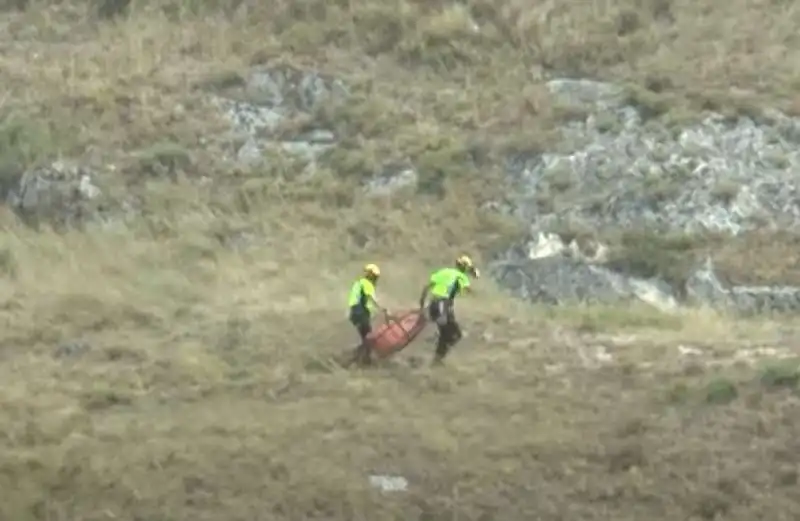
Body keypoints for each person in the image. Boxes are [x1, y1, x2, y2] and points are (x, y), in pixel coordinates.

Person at [418, 255, 480, 365]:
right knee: (454, 334)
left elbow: (426, 287)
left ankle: (437, 360)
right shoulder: (461, 276)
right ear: (465, 268)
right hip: (443, 306)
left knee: (447, 334)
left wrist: (422, 304)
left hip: (434, 305)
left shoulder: (444, 271)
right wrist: (475, 280)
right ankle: (437, 358)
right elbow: (467, 290)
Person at [347, 263, 387, 366]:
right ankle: (360, 359)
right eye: (375, 277)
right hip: (361, 312)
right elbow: (371, 299)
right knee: (369, 337)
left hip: (355, 312)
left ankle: (362, 358)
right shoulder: (366, 284)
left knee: (366, 337)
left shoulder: (359, 283)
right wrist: (382, 308)